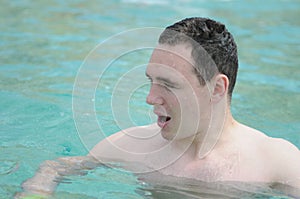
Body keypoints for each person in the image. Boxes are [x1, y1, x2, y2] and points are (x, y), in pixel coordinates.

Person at [19, 17, 300, 197]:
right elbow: (55, 168)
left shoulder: (275, 161)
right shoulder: (132, 147)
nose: (150, 98)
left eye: (168, 84)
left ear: (216, 88)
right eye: (151, 81)